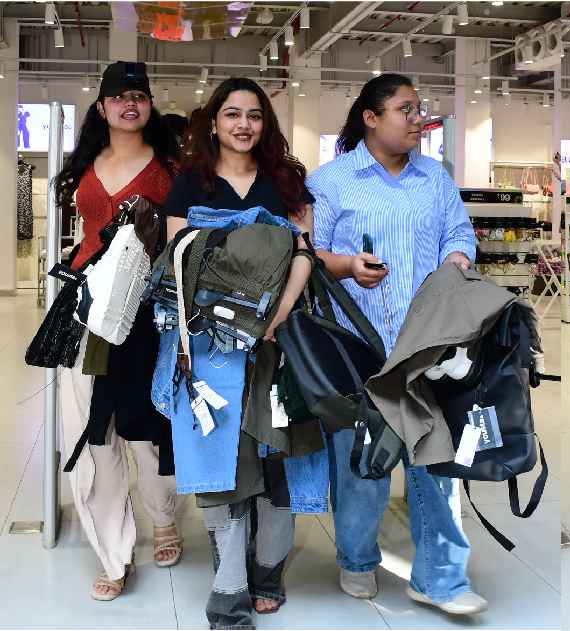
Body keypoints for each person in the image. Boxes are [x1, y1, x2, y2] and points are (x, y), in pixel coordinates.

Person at [307, 73, 487, 615]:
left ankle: (439, 578)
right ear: (371, 117)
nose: (417, 119)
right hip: (358, 350)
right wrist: (347, 265)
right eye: (406, 109)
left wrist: (457, 260)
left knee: (435, 463)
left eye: (419, 109)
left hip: (427, 348)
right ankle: (357, 559)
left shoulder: (434, 178)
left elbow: (458, 233)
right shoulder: (332, 181)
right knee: (362, 462)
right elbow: (308, 255)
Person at [163, 77, 314, 630]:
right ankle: (228, 589)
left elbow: (304, 252)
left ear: (265, 124)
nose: (243, 124)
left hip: (278, 340)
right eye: (232, 114)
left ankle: (268, 570)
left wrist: (279, 314)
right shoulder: (190, 183)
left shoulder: (285, 184)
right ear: (214, 122)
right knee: (220, 459)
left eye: (254, 115)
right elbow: (180, 263)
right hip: (210, 345)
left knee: (277, 452)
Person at [53, 61, 181, 601]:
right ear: (102, 107)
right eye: (119, 97)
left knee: (147, 428)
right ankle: (113, 550)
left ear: (149, 105)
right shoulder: (84, 162)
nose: (130, 104)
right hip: (86, 310)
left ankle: (164, 517)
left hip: (146, 312)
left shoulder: (171, 167)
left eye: (140, 96)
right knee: (95, 432)